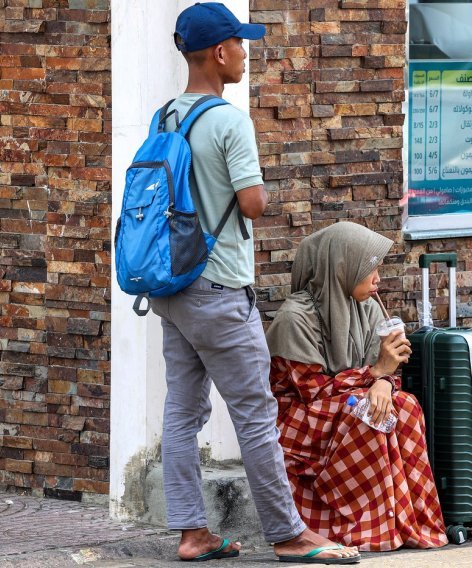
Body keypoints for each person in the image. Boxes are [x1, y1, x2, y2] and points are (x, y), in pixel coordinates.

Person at [149, 3, 360, 564]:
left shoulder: (164, 117)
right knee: (256, 414)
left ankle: (192, 533)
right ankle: (289, 534)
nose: (246, 52)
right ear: (219, 53)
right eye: (240, 44)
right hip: (219, 290)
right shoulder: (228, 120)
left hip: (173, 289)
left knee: (181, 411)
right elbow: (253, 203)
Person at [266, 222, 449, 551]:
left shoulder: (367, 309)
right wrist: (375, 372)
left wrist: (383, 381)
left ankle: (409, 523)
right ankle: (362, 531)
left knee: (403, 406)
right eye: (370, 269)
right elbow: (312, 391)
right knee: (365, 413)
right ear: (342, 268)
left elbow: (384, 371)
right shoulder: (295, 318)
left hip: (343, 402)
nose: (377, 278)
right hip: (298, 420)